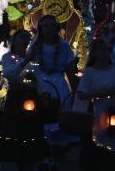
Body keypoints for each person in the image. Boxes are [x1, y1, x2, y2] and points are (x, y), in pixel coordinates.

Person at [0, 30, 48, 171]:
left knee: (31, 129)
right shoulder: (8, 57)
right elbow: (10, 74)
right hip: (16, 96)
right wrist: (25, 63)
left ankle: (30, 159)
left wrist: (43, 93)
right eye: (21, 38)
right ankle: (16, 158)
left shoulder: (34, 61)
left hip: (31, 97)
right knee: (14, 127)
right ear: (14, 41)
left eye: (27, 39)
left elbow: (39, 79)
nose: (24, 41)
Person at [26, 15, 78, 167]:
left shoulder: (64, 47)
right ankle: (42, 153)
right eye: (45, 25)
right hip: (40, 85)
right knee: (40, 120)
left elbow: (69, 71)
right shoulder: (35, 46)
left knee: (57, 121)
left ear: (56, 28)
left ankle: (55, 155)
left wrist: (75, 92)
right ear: (40, 29)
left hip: (59, 87)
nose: (48, 28)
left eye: (51, 25)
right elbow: (29, 66)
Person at [74, 39, 115, 170]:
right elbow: (82, 93)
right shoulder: (90, 72)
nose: (105, 53)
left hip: (113, 111)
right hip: (95, 112)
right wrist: (99, 93)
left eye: (107, 50)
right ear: (94, 53)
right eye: (102, 50)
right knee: (93, 145)